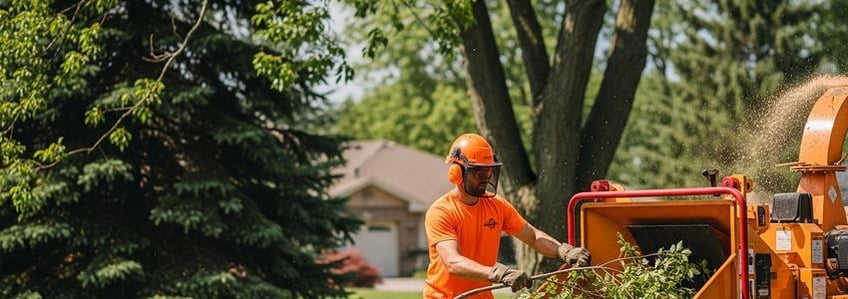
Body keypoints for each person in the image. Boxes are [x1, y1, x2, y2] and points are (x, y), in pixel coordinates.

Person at [423, 133, 591, 299]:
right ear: (456, 173)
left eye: (488, 172)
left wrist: (563, 251)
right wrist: (498, 273)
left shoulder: (497, 205)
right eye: (478, 173)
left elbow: (533, 236)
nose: (484, 178)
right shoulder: (441, 212)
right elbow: (453, 262)